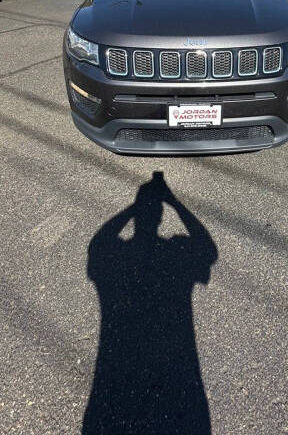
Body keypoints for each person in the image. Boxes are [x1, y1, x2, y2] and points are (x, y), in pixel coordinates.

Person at [82, 172, 218, 435]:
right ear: (160, 218)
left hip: (114, 378)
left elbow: (99, 242)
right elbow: (207, 248)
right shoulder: (174, 253)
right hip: (180, 376)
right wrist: (173, 202)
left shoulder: (117, 255)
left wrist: (133, 208)